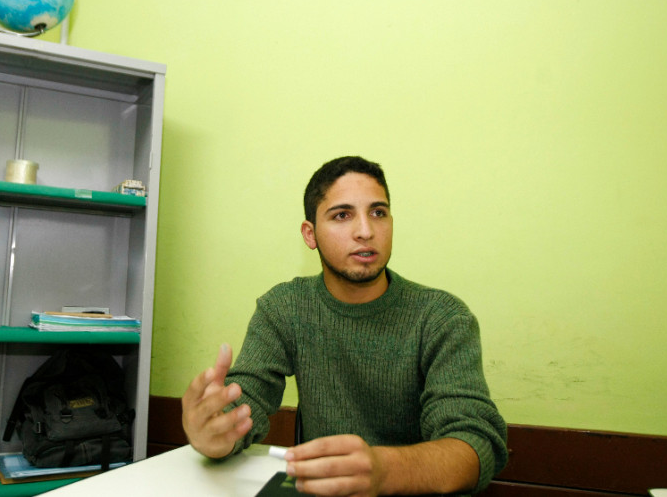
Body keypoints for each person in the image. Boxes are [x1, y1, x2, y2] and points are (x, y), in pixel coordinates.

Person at [181, 156, 507, 496]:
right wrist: (213, 431)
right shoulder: (285, 307)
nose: (366, 231)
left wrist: (384, 470)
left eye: (378, 213)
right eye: (342, 215)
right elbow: (245, 401)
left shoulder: (443, 317)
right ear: (310, 234)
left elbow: (474, 447)